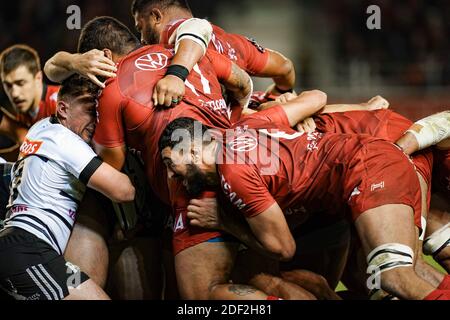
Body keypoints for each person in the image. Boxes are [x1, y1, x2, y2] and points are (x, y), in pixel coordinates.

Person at [159, 90, 450, 300]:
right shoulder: (248, 126)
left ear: (194, 150)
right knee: (389, 274)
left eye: (172, 164)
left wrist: (224, 221)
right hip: (371, 160)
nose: (172, 176)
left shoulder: (233, 172)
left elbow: (284, 248)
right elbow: (316, 98)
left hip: (368, 168)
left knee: (392, 278)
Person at [0, 75, 135, 300]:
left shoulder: (41, 128)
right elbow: (124, 191)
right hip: (30, 250)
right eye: (90, 111)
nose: (96, 121)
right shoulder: (64, 140)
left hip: (30, 251)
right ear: (63, 109)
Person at [131, 0, 295, 111]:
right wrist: (282, 91)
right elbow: (285, 67)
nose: (142, 39)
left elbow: (196, 26)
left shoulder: (170, 34)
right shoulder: (233, 43)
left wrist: (176, 75)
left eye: (141, 28)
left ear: (156, 16)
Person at [0, 45, 59, 144]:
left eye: (21, 83)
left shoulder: (60, 104)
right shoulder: (24, 112)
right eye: (8, 86)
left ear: (38, 78)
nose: (15, 94)